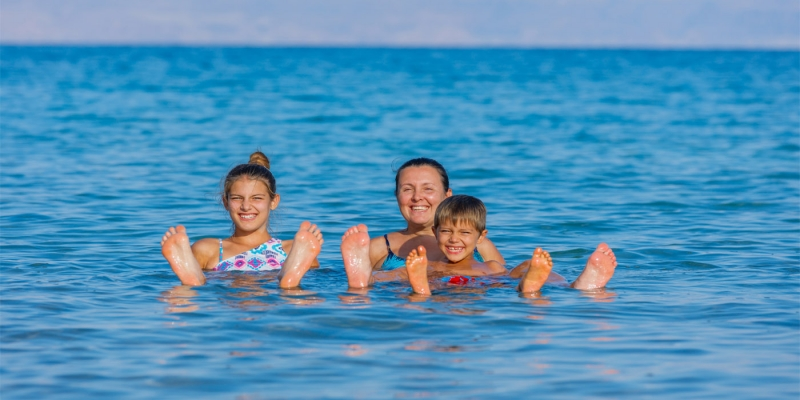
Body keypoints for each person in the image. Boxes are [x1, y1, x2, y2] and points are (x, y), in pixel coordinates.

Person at [343, 195, 617, 295]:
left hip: (462, 282)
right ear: (435, 231)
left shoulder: (490, 266)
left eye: (464, 233)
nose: (454, 239)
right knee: (405, 274)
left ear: (480, 237)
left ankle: (576, 284)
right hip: (466, 283)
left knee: (525, 267)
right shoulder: (484, 267)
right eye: (446, 231)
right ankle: (532, 289)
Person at [160, 151, 323, 288]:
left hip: (226, 296)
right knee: (293, 294)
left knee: (190, 293)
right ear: (226, 202)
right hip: (274, 295)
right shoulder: (207, 250)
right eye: (237, 198)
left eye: (256, 198)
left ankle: (289, 280)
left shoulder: (296, 250)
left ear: (273, 202)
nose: (246, 206)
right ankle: (193, 279)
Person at [364, 158, 505, 271]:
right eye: (407, 189)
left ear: (447, 195)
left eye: (428, 189)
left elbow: (506, 282)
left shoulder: (479, 246)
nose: (417, 197)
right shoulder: (377, 248)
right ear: (397, 195)